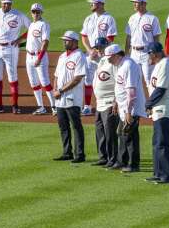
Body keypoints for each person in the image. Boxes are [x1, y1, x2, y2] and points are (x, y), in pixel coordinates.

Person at [107, 44, 145, 173]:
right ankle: (121, 161)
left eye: (110, 57)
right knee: (122, 134)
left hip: (131, 108)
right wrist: (116, 102)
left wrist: (129, 111)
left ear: (117, 55)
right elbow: (120, 87)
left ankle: (133, 164)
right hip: (124, 106)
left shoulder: (128, 65)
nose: (108, 60)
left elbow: (131, 92)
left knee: (130, 135)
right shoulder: (121, 65)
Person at [145, 42, 169, 184]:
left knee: (162, 142)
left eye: (149, 54)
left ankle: (167, 175)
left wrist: (148, 104)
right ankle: (158, 172)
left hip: (165, 108)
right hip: (158, 108)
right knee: (156, 142)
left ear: (155, 53)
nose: (148, 57)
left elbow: (161, 89)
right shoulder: (159, 64)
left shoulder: (166, 64)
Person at [52, 31, 87, 163]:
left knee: (76, 125)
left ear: (74, 42)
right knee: (63, 126)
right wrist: (55, 89)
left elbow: (77, 79)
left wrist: (60, 90)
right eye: (64, 40)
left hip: (72, 97)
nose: (64, 42)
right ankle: (67, 152)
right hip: (60, 98)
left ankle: (80, 154)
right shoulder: (62, 56)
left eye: (66, 40)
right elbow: (56, 75)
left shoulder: (79, 56)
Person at [80, 0, 117, 116]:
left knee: (106, 77)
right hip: (90, 54)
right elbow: (84, 36)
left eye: (93, 3)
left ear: (101, 4)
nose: (91, 4)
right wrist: (90, 50)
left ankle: (108, 104)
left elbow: (110, 37)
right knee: (88, 79)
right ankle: (87, 106)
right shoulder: (88, 18)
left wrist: (100, 50)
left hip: (104, 55)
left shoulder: (109, 18)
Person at [124, 0, 161, 95]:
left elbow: (156, 38)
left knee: (149, 81)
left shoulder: (152, 18)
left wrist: (154, 55)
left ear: (144, 4)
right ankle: (137, 106)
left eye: (137, 3)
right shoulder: (132, 18)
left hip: (147, 53)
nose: (134, 5)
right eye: (134, 3)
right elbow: (128, 37)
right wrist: (127, 54)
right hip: (134, 54)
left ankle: (153, 106)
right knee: (134, 80)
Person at [89, 37, 117, 167]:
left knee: (110, 132)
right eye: (97, 48)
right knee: (100, 130)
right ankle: (103, 157)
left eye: (101, 47)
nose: (98, 50)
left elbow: (119, 82)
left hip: (109, 102)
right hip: (100, 103)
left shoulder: (112, 62)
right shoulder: (101, 61)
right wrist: (93, 57)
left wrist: (116, 101)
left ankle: (113, 158)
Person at [25, 3, 56, 115]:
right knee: (33, 83)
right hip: (29, 56)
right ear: (31, 12)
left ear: (41, 13)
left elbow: (45, 42)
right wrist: (18, 43)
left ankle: (54, 107)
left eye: (38, 12)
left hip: (39, 57)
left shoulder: (44, 25)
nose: (35, 14)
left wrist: (39, 57)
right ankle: (41, 107)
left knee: (45, 82)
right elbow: (30, 41)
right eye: (34, 12)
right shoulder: (31, 25)